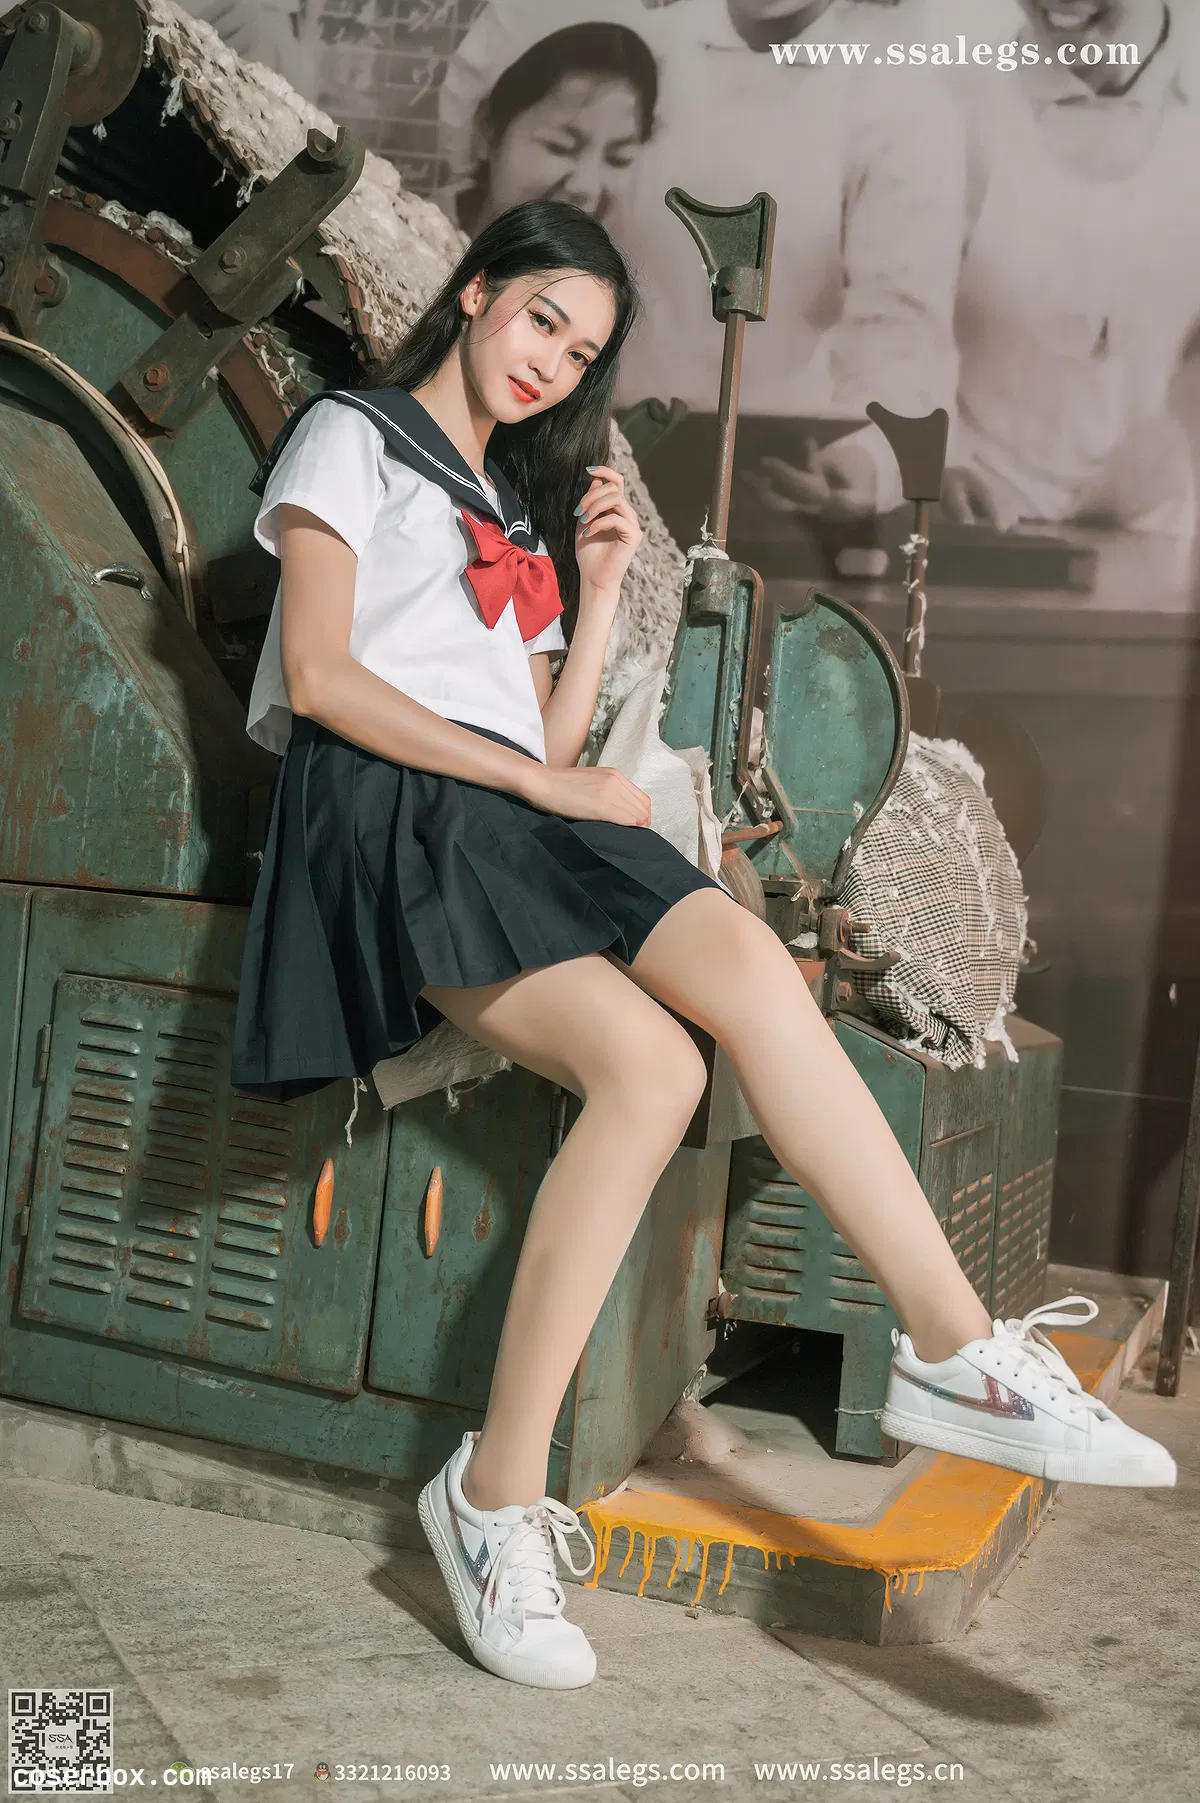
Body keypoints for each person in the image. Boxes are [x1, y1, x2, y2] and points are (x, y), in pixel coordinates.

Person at [229, 198, 1175, 1692]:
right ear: (475, 292)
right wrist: (545, 786)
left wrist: (598, 592)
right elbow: (324, 676)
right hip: (388, 818)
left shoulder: (509, 505)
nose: (551, 363)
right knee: (652, 1070)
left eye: (580, 354)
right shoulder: (351, 435)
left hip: (500, 806)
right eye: (542, 318)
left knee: (741, 968)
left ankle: (955, 1349)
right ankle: (491, 1501)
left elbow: (542, 742)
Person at [610, 0, 968, 519]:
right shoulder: (629, 50)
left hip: (780, 486)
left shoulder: (902, 104)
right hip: (594, 468)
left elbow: (902, 327)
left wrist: (865, 458)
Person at [931, 0, 1200, 535]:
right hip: (974, 525)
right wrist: (934, 459)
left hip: (1159, 538)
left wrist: (1171, 441)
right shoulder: (953, 106)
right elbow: (887, 322)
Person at [435, 2, 659, 233]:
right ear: (487, 130)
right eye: (560, 147)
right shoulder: (417, 241)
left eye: (619, 159)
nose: (587, 187)